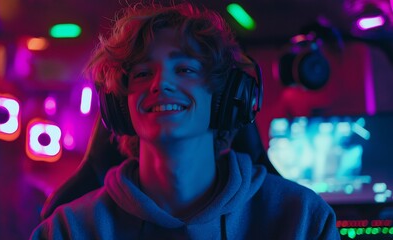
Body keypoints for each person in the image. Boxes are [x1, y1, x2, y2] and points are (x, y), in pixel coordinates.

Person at [31, 2, 340, 239]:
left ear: (222, 98)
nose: (160, 83)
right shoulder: (67, 230)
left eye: (185, 70)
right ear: (120, 107)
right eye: (142, 73)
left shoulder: (302, 220)